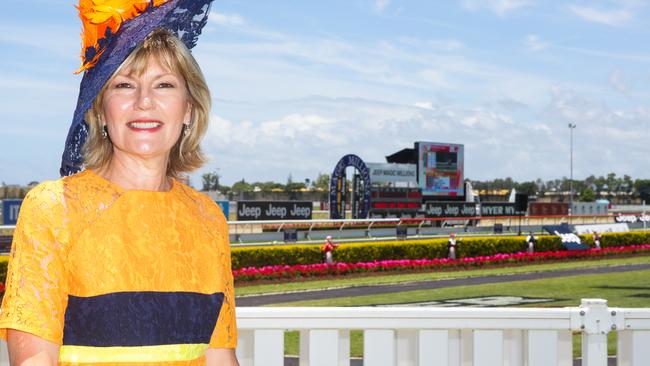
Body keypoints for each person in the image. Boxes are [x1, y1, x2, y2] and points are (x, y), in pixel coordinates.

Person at [0, 1, 239, 365]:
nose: (144, 102)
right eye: (124, 85)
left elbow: (220, 357)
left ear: (188, 109)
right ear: (100, 110)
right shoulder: (53, 208)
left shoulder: (207, 218)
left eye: (164, 85)